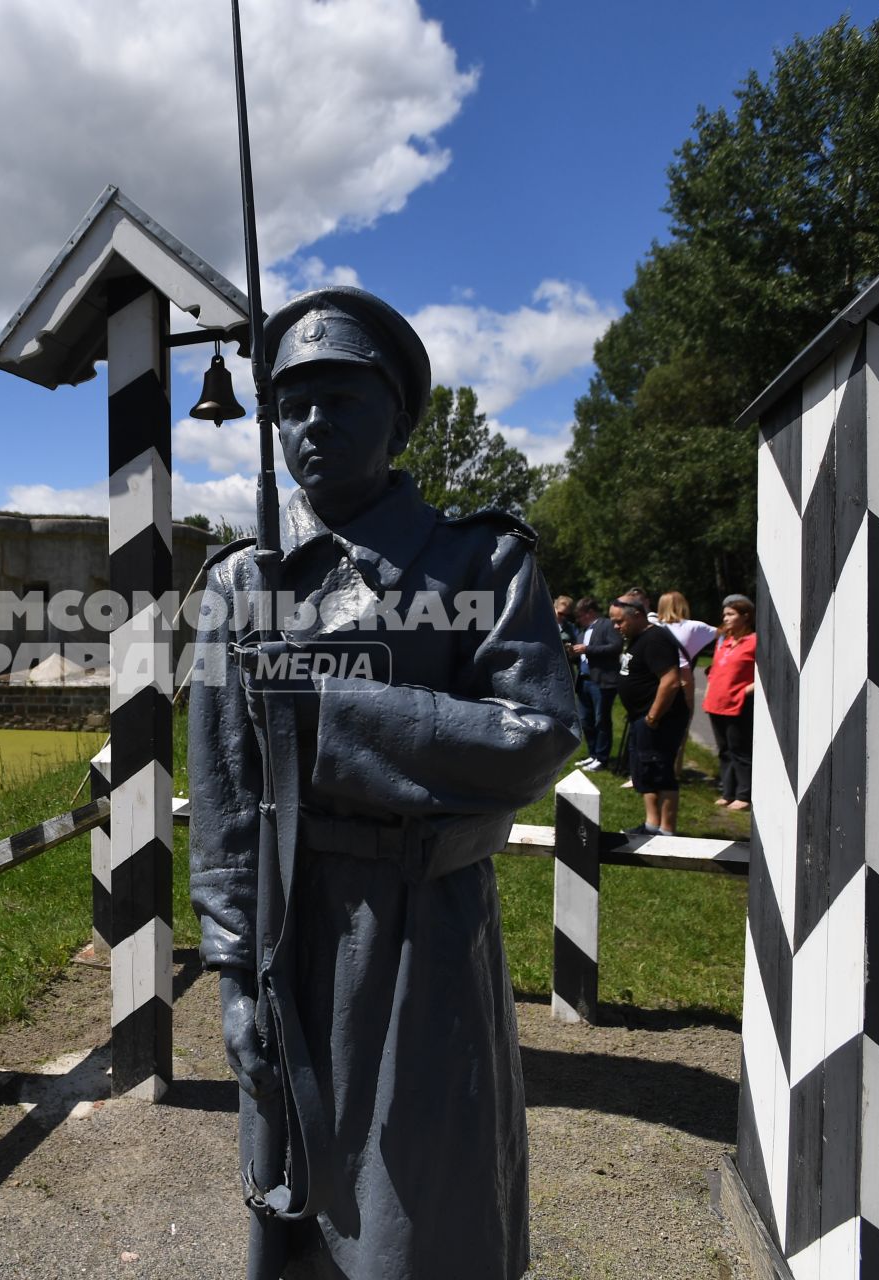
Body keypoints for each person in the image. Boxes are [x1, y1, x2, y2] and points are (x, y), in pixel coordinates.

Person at [189, 285, 578, 1280]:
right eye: (292, 403)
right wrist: (234, 972)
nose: (311, 424)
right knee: (298, 1194)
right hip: (291, 930)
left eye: (342, 399)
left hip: (429, 933)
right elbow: (227, 802)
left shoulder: (478, 561)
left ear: (398, 416)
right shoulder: (240, 587)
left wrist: (327, 705)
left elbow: (536, 733)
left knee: (427, 1203)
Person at [613, 596, 688, 835]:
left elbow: (671, 681)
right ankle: (651, 824)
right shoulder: (637, 638)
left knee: (660, 770)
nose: (616, 627)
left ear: (636, 615)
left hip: (659, 720)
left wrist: (653, 717)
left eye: (619, 621)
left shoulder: (656, 639)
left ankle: (666, 830)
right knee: (645, 770)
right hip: (641, 718)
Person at [703, 593, 756, 810]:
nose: (725, 618)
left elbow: (766, 675)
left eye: (731, 614)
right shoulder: (723, 641)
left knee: (740, 750)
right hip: (717, 703)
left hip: (738, 705)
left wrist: (745, 691)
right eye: (724, 614)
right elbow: (715, 670)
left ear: (745, 616)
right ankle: (728, 792)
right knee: (724, 750)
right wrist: (708, 693)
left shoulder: (753, 641)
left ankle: (744, 795)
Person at [655, 591, 717, 775]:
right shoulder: (695, 627)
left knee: (656, 721)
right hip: (683, 678)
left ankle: (656, 766)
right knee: (681, 726)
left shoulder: (653, 626)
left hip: (658, 678)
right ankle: (675, 769)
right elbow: (726, 633)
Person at [572, 597, 619, 768]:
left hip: (602, 681)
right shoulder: (582, 632)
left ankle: (602, 757)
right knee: (586, 720)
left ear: (590, 612)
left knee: (602, 721)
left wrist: (587, 649)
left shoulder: (607, 625)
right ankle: (592, 754)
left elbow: (615, 647)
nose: (579, 619)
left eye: (581, 615)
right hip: (584, 681)